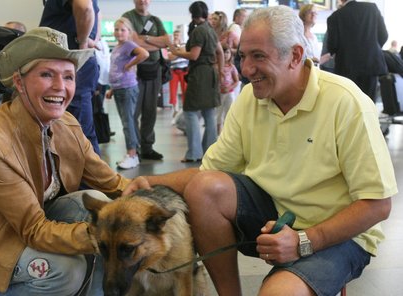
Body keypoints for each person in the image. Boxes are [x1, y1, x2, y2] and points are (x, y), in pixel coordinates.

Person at [123, 5, 396, 296]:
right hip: (276, 217)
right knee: (205, 188)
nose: (245, 69)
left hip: (339, 233)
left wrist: (305, 240)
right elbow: (207, 174)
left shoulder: (346, 101)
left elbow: (377, 205)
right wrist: (149, 182)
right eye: (242, 56)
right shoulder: (250, 99)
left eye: (258, 56)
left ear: (294, 55)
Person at [0, 27, 131, 295]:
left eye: (68, 76)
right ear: (19, 82)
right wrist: (106, 237)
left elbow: (114, 184)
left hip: (22, 220)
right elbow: (34, 230)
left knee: (100, 204)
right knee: (65, 271)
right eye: (47, 74)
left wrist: (159, 197)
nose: (60, 87)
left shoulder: (67, 125)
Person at [40, 0, 102, 155]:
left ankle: (93, 179)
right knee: (75, 128)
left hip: (70, 61)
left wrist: (82, 43)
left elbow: (85, 7)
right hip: (72, 61)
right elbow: (96, 13)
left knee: (76, 130)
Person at [169, 1, 223, 163]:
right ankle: (209, 152)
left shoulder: (198, 31)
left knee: (190, 112)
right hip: (211, 73)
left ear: (192, 13)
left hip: (199, 74)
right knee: (209, 113)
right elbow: (220, 52)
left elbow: (194, 55)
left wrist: (176, 51)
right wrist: (219, 72)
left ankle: (194, 153)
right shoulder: (211, 30)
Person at [122, 0, 170, 161]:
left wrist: (146, 39)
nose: (143, 1)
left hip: (154, 70)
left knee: (150, 111)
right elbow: (133, 42)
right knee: (133, 112)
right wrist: (156, 43)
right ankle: (134, 148)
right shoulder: (128, 18)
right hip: (135, 71)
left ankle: (147, 147)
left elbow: (166, 41)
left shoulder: (155, 20)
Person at [106, 17, 149, 169]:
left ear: (129, 32)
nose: (119, 32)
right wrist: (112, 88)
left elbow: (144, 54)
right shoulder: (119, 46)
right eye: (116, 29)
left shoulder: (128, 44)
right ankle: (132, 152)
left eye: (122, 29)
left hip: (126, 89)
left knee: (127, 122)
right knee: (127, 121)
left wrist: (129, 65)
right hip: (119, 88)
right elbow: (117, 68)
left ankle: (132, 154)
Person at [327, 0, 388, 102]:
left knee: (350, 104)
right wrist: (372, 48)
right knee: (369, 102)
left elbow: (332, 46)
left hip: (347, 68)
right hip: (371, 64)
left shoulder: (335, 17)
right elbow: (384, 35)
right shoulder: (371, 8)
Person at [217, 44, 239, 134]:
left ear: (230, 54)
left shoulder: (232, 67)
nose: (225, 55)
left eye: (227, 52)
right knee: (218, 112)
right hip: (219, 94)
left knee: (229, 111)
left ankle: (227, 132)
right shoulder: (217, 67)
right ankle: (218, 131)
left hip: (229, 93)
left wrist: (229, 87)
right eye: (223, 52)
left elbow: (236, 81)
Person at [167, 29, 188, 113]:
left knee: (185, 90)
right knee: (172, 90)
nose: (176, 37)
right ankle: (175, 109)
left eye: (178, 35)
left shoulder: (184, 45)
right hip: (174, 71)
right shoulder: (170, 46)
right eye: (175, 35)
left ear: (181, 37)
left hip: (184, 70)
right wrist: (179, 52)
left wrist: (176, 50)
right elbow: (170, 57)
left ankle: (184, 108)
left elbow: (185, 53)